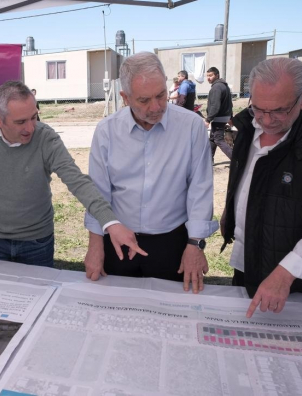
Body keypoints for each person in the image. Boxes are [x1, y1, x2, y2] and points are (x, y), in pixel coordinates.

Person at [0, 81, 146, 270]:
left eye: (34, 117)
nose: (30, 128)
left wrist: (110, 222)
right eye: (20, 122)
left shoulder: (46, 137)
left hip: (37, 242)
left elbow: (77, 181)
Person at [221, 58, 302, 318]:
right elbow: (245, 177)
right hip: (248, 257)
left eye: (279, 111)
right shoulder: (250, 125)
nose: (267, 120)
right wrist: (231, 211)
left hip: (294, 275)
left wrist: (285, 273)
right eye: (259, 108)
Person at [84, 52, 217, 293]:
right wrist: (95, 245)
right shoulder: (107, 131)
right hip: (119, 239)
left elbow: (200, 189)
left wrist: (195, 245)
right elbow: (98, 192)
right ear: (125, 98)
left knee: (172, 314)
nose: (156, 107)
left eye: (161, 96)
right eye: (144, 100)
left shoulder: (191, 126)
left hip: (172, 241)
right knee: (116, 310)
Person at [204, 66, 233, 160]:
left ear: (216, 75)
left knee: (218, 139)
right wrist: (230, 117)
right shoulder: (224, 86)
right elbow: (230, 103)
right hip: (223, 116)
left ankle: (236, 160)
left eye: (210, 75)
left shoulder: (216, 87)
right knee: (213, 138)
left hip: (218, 117)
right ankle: (209, 159)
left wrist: (208, 119)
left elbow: (215, 105)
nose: (208, 78)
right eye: (207, 76)